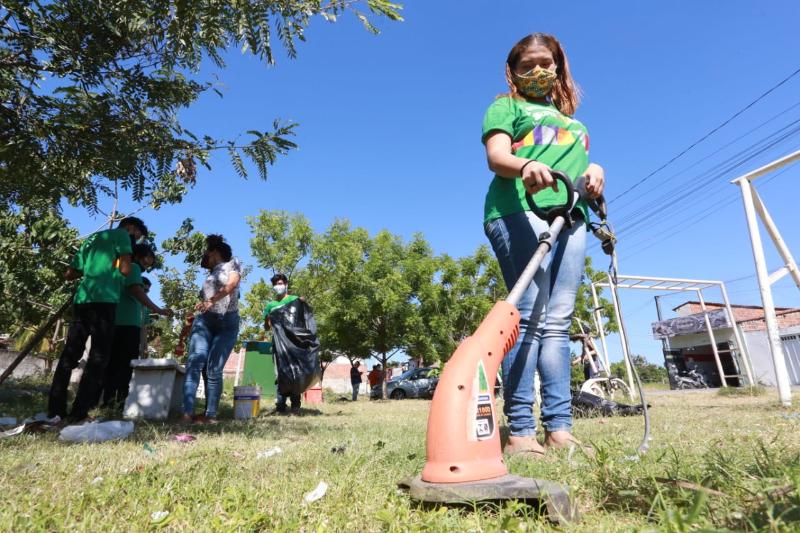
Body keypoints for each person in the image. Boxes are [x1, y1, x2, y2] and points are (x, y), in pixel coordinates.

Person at [481, 33, 605, 457]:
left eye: (545, 62)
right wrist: (526, 165)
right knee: (530, 319)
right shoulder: (506, 106)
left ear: (559, 66)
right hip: (519, 208)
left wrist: (596, 171)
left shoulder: (574, 123)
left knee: (558, 324)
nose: (537, 71)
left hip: (572, 216)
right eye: (527, 64)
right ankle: (519, 432)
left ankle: (559, 429)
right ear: (513, 71)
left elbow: (577, 167)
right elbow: (497, 157)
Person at [48, 217, 148, 422]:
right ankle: (79, 412)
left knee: (70, 354)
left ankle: (55, 409)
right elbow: (125, 269)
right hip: (105, 301)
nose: (136, 241)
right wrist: (115, 271)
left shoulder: (92, 239)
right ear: (131, 227)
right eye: (137, 236)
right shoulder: (122, 235)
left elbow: (70, 273)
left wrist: (93, 270)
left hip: (82, 299)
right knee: (98, 358)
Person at [101, 244, 172, 410]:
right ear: (138, 256)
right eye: (147, 260)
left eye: (150, 263)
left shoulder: (123, 269)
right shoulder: (132, 267)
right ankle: (117, 403)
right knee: (123, 366)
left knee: (115, 365)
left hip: (121, 324)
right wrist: (158, 309)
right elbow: (137, 291)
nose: (148, 265)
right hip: (125, 326)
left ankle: (110, 402)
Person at [182, 235, 242, 424]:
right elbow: (202, 304)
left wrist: (212, 300)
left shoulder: (232, 264)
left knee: (214, 369)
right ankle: (187, 413)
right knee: (194, 363)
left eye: (207, 253)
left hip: (227, 323)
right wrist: (187, 328)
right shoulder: (210, 275)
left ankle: (210, 415)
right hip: (205, 322)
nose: (205, 258)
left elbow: (232, 284)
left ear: (214, 252)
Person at [262, 273, 301, 413]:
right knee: (279, 374)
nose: (278, 286)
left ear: (286, 285)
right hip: (278, 345)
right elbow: (267, 327)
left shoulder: (294, 299)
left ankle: (295, 405)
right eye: (275, 284)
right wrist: (267, 319)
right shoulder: (271, 305)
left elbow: (302, 318)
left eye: (280, 283)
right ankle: (280, 405)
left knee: (294, 373)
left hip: (293, 344)